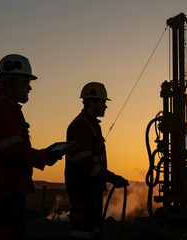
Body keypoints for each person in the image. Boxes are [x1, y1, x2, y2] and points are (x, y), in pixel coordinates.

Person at [0, 54, 63, 240]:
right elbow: (13, 151)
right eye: (26, 81)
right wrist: (46, 156)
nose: (29, 87)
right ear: (14, 81)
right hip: (3, 194)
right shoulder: (4, 106)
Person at [65, 82, 129, 240]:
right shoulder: (81, 126)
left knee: (94, 231)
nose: (105, 106)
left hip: (92, 189)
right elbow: (86, 163)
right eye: (102, 102)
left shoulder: (92, 124)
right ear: (92, 103)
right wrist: (111, 177)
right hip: (83, 189)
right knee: (83, 232)